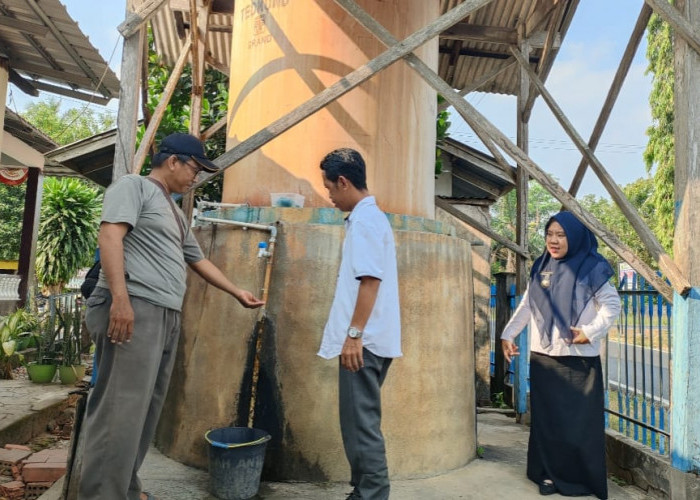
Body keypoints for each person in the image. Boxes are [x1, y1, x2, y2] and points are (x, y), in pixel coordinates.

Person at [78, 133, 264, 500]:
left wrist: (236, 291)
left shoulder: (175, 213)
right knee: (120, 409)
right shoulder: (134, 187)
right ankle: (101, 495)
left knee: (145, 411)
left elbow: (198, 259)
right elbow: (110, 236)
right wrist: (120, 299)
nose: (196, 177)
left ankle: (125, 489)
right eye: (195, 168)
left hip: (164, 316)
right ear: (173, 160)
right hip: (133, 309)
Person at [501, 211, 621, 499]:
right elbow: (529, 304)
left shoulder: (592, 268)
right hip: (544, 357)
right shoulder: (542, 265)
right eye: (549, 234)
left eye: (561, 235)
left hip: (579, 360)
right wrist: (508, 333)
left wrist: (589, 331)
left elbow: (612, 305)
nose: (553, 241)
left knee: (579, 425)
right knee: (547, 421)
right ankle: (547, 475)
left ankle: (580, 477)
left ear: (575, 237)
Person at [317, 148, 401, 500]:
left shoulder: (366, 221)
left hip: (363, 344)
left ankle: (372, 494)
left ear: (343, 181)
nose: (330, 196)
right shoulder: (367, 219)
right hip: (368, 341)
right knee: (357, 425)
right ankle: (363, 492)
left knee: (361, 427)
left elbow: (370, 281)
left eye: (330, 188)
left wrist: (353, 337)